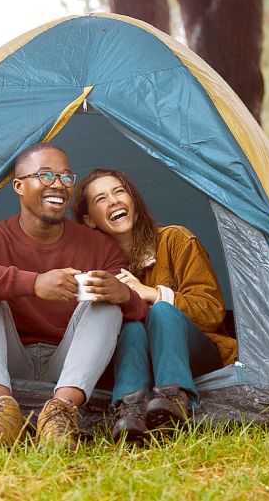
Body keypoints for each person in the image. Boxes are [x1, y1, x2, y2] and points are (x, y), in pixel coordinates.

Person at [0, 144, 148, 450]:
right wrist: (33, 283)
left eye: (65, 178)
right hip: (6, 363)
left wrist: (124, 295)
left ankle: (61, 415)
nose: (58, 185)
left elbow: (139, 312)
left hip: (67, 368)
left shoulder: (100, 248)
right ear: (19, 186)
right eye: (46, 175)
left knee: (108, 303)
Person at [73, 168, 237, 443]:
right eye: (101, 199)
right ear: (89, 220)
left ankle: (174, 399)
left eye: (119, 192)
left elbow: (211, 312)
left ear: (133, 204)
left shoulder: (176, 240)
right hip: (133, 360)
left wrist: (149, 292)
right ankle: (129, 410)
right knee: (133, 328)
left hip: (195, 352)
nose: (113, 201)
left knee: (161, 310)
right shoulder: (95, 270)